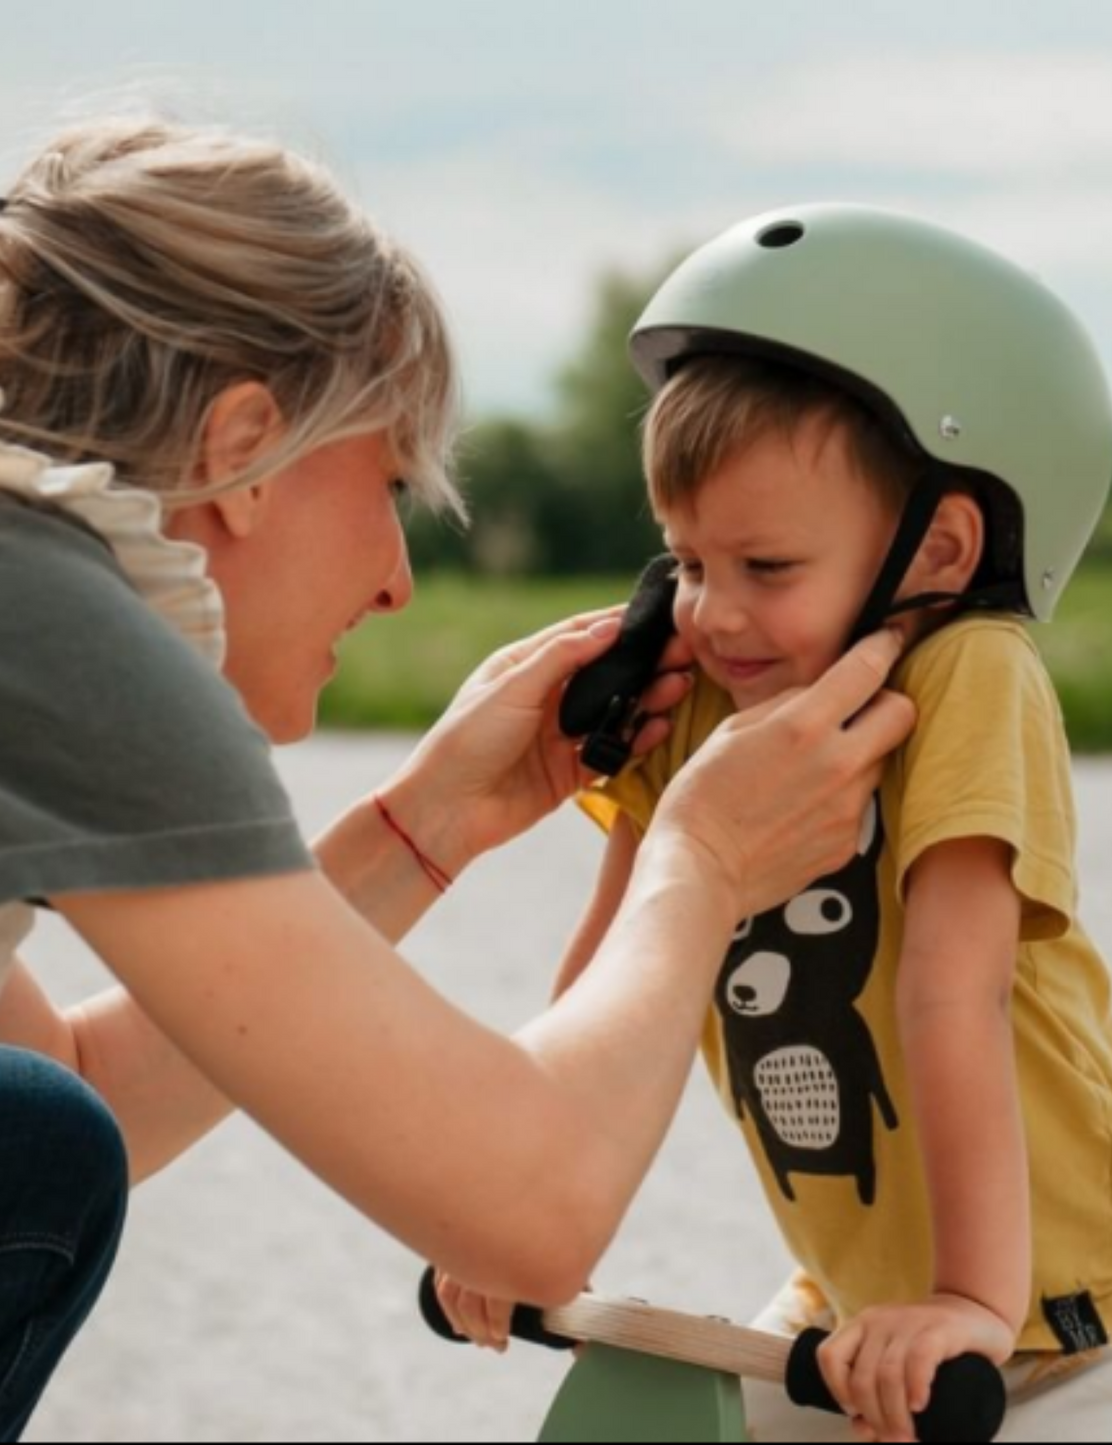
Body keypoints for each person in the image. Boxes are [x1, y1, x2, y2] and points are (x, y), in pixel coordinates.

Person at [0, 125, 916, 1442]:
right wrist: (704, 858)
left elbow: (74, 1081)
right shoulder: (55, 621)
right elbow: (533, 1213)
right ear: (241, 444)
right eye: (385, 479)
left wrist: (422, 828)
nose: (396, 580)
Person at [440, 205, 1112, 1444]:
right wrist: (509, 1213)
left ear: (938, 546)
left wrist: (970, 1301)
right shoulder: (698, 692)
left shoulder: (965, 674)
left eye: (766, 567)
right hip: (872, 1311)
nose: (713, 612)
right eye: (687, 562)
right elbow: (613, 976)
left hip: (1096, 1311)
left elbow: (953, 990)